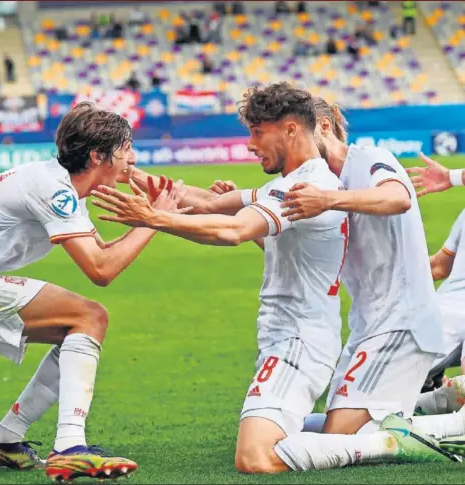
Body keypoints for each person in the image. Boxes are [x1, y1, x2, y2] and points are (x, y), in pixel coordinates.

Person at [93, 83, 456, 473]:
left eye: (256, 132)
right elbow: (211, 204)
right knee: (338, 428)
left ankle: (434, 427)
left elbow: (400, 197)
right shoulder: (302, 184)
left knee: (313, 442)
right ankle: (428, 408)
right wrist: (126, 173)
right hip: (359, 323)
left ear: (304, 128)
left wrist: (154, 219)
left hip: (392, 320)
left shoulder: (353, 166)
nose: (249, 144)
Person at [0, 102, 186, 482]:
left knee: (78, 328)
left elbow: (103, 255)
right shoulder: (54, 191)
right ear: (97, 156)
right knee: (89, 315)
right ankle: (70, 447)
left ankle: (5, 439)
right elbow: (101, 271)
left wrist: (155, 216)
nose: (132, 159)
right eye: (126, 150)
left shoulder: (60, 186)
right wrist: (154, 221)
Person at [414, 210, 465, 423]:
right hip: (444, 314)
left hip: (441, 312)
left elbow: (438, 267)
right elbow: (439, 266)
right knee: (355, 416)